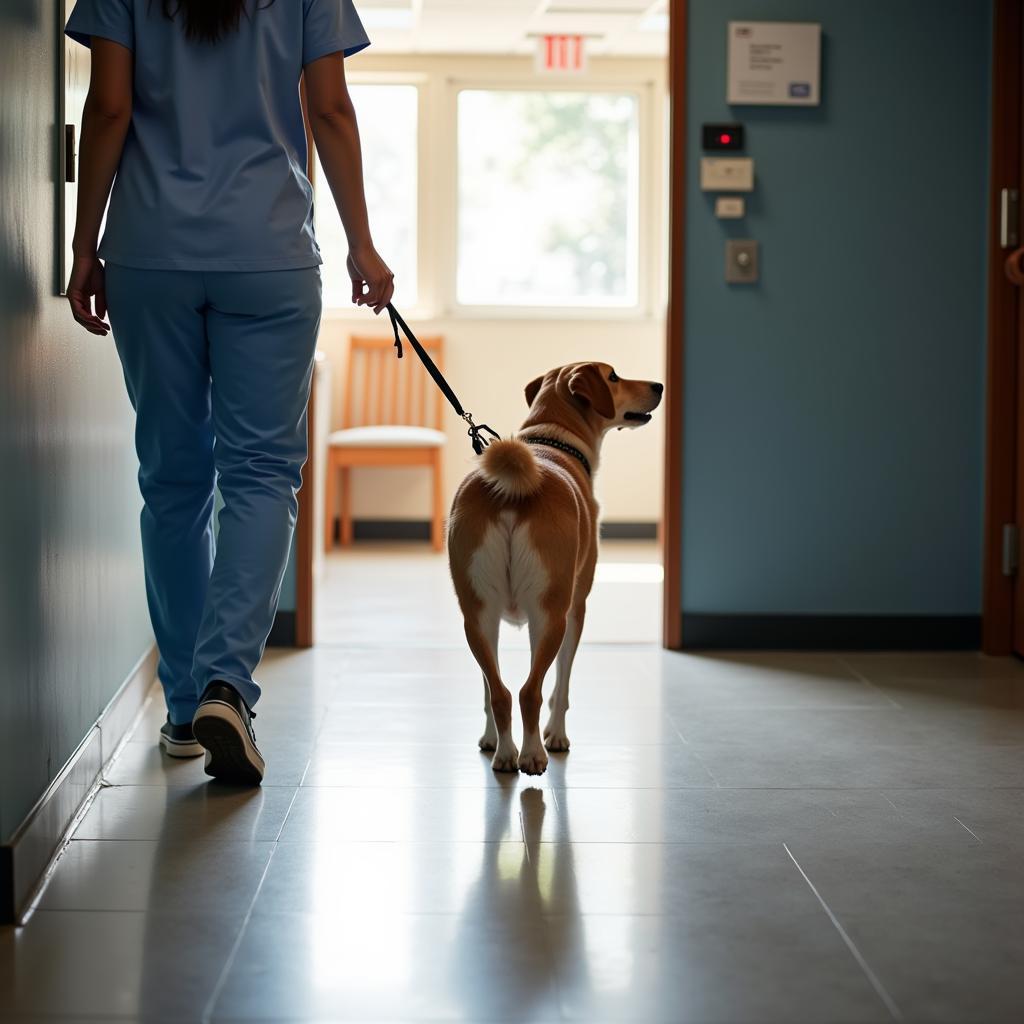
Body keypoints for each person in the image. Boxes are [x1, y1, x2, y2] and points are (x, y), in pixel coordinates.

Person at [64, 0, 393, 785]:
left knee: (173, 479)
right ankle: (226, 688)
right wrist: (361, 243)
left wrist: (85, 246)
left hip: (150, 253)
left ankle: (183, 707)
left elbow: (108, 106)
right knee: (260, 476)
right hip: (269, 253)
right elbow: (331, 109)